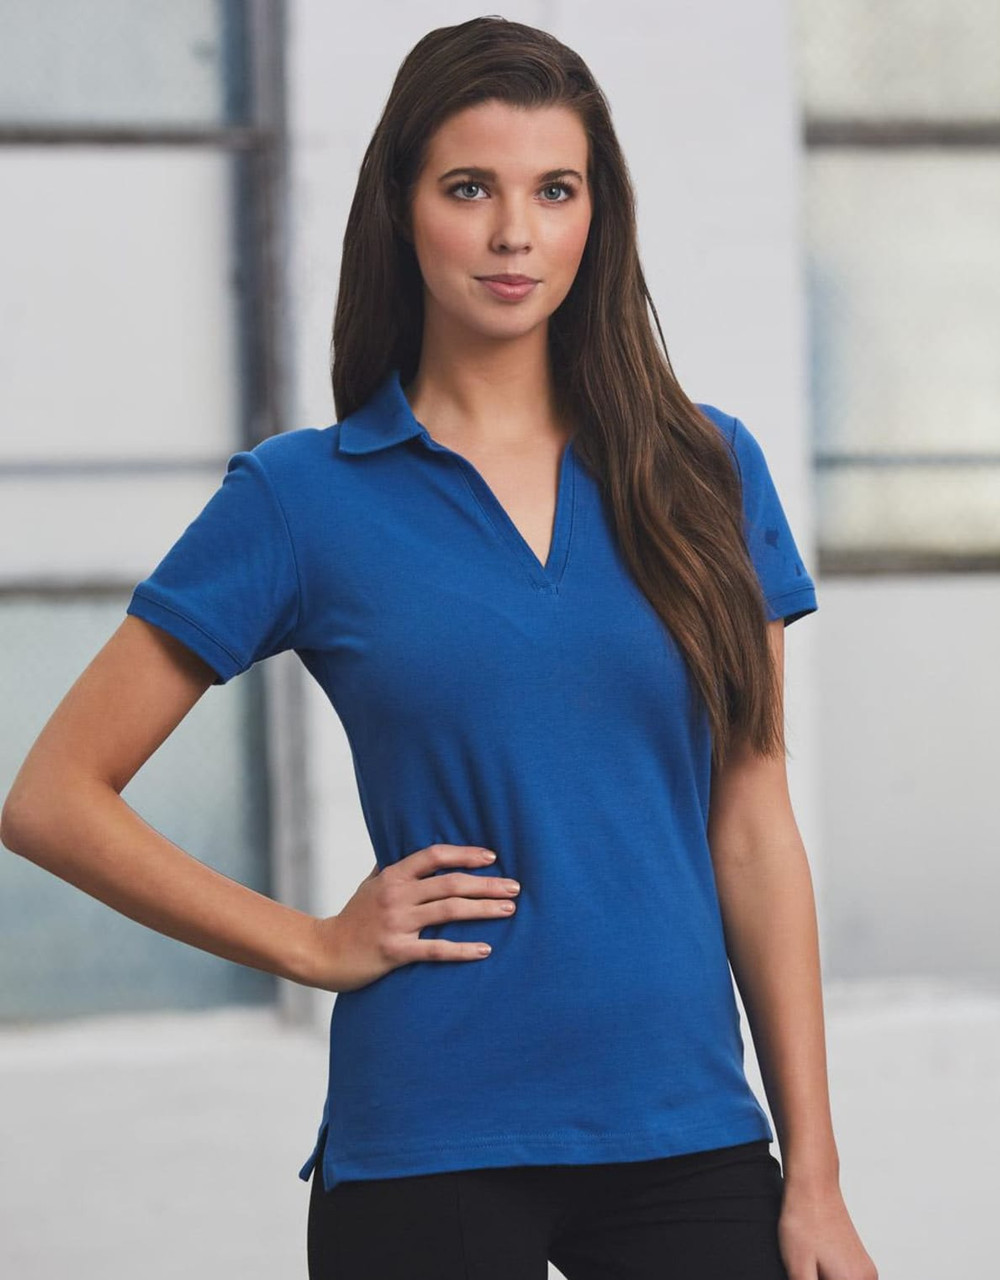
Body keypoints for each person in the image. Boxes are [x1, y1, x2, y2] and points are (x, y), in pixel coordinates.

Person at [0, 15, 879, 1280]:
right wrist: (306, 941)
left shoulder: (706, 468)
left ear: (596, 214)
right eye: (470, 187)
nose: (515, 233)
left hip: (683, 1127)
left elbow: (751, 824)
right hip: (428, 1139)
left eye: (554, 190)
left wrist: (819, 1177)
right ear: (403, 209)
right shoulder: (304, 497)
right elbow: (50, 798)